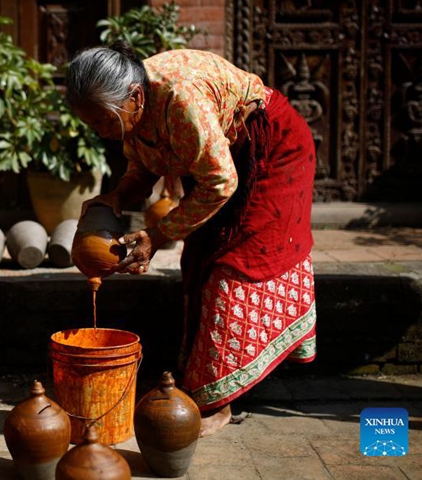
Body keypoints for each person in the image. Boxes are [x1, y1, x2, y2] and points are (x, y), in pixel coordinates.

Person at [67, 41, 317, 437]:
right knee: (198, 257)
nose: (100, 132)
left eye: (102, 121)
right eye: (93, 124)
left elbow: (220, 183)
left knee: (234, 267)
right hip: (221, 162)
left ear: (135, 97)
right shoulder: (133, 105)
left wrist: (158, 234)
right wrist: (118, 195)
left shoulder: (180, 101)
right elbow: (145, 165)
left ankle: (218, 402)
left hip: (273, 151)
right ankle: (201, 379)